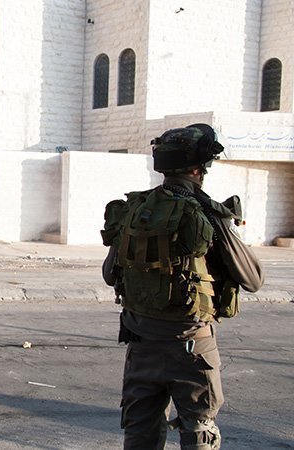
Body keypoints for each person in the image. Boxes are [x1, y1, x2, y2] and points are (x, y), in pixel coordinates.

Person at [101, 124, 263, 450]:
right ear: (197, 169)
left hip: (141, 344)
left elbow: (109, 273)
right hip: (191, 347)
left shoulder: (135, 209)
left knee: (139, 435)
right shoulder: (207, 213)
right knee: (199, 432)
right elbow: (252, 279)